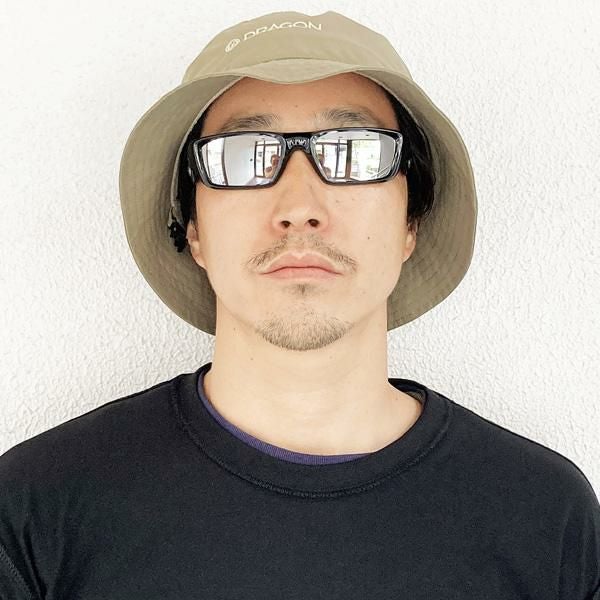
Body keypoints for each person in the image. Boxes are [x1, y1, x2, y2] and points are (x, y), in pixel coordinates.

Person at [1, 10, 598, 600]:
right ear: (194, 230)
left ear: (410, 223)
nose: (299, 207)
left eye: (355, 152)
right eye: (243, 155)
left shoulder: (544, 516)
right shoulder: (38, 508)